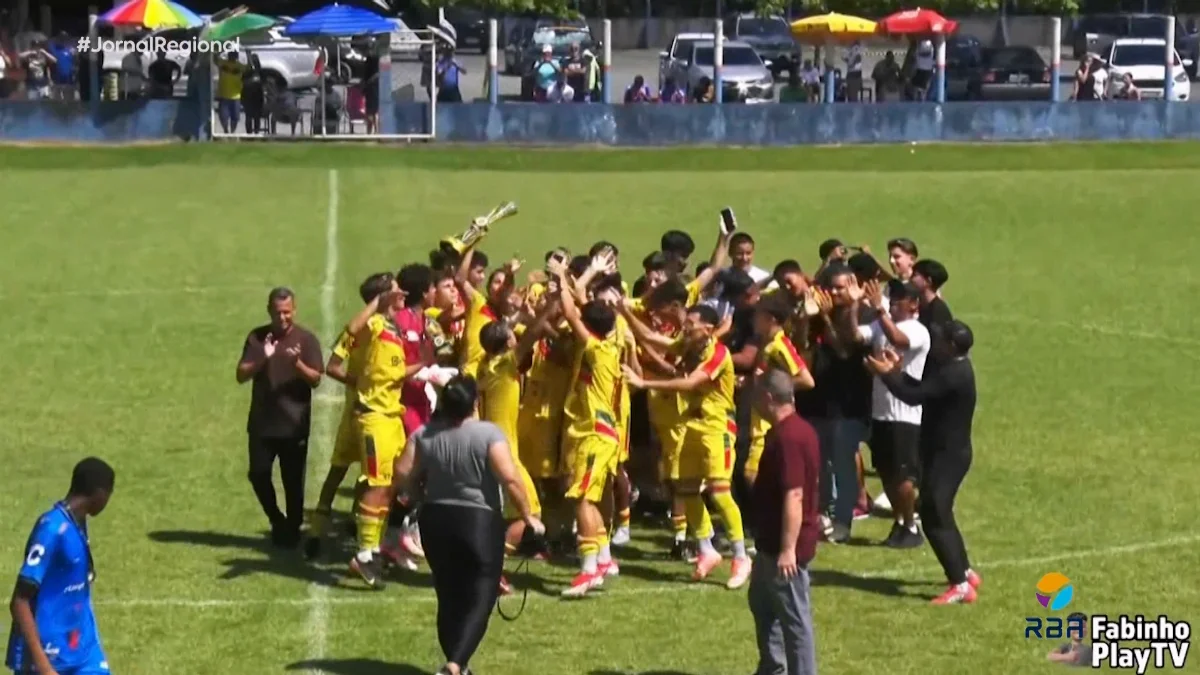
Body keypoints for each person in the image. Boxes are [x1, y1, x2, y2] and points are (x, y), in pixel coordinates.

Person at [393, 376, 544, 675]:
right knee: (482, 592)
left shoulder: (425, 433)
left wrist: (418, 494)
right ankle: (455, 664)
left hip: (435, 519)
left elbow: (402, 472)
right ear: (475, 403)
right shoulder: (488, 433)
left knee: (448, 593)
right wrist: (529, 518)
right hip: (478, 520)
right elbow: (510, 478)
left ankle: (457, 665)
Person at [623, 303, 751, 589]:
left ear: (707, 328)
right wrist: (622, 309)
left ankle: (741, 557)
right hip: (692, 426)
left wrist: (644, 384)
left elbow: (691, 383)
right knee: (685, 489)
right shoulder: (692, 346)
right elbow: (651, 337)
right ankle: (706, 549)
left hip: (717, 429)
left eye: (691, 324)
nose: (686, 328)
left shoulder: (718, 354)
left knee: (719, 493)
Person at [866, 320, 982, 604]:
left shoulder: (955, 374)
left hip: (948, 457)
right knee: (940, 513)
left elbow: (913, 396)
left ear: (952, 346)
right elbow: (924, 389)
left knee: (932, 516)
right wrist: (896, 371)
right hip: (947, 454)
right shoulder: (953, 367)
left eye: (941, 340)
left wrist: (887, 375)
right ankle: (964, 572)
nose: (936, 343)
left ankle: (960, 584)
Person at [306, 272, 395, 561]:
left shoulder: (377, 327)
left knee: (348, 472)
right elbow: (332, 367)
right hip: (366, 412)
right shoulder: (367, 328)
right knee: (358, 473)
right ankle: (330, 532)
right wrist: (357, 381)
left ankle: (330, 526)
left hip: (361, 410)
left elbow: (333, 366)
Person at [7, 458, 115, 675]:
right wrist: (45, 669)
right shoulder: (51, 530)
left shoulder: (79, 521)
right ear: (99, 493)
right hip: (48, 656)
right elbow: (19, 601)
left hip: (83, 650)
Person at [236, 287, 324, 548]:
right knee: (258, 474)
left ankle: (293, 526)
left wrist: (297, 365)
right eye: (277, 312)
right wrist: (263, 357)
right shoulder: (257, 337)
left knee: (293, 481)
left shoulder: (306, 339)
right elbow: (241, 375)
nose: (282, 317)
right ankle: (277, 518)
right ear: (269, 310)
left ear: (294, 310)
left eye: (286, 312)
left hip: (294, 424)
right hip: (263, 423)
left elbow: (316, 379)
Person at [342, 278, 415, 588]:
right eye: (397, 289)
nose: (404, 293)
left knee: (393, 483)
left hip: (392, 416)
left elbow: (393, 372)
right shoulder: (372, 323)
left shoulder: (391, 326)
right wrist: (377, 302)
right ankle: (363, 553)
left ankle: (375, 548)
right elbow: (351, 331)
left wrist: (427, 364)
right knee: (376, 484)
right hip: (374, 418)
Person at [748, 371, 820, 675]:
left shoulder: (789, 437)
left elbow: (794, 495)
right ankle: (772, 668)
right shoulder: (795, 430)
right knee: (763, 606)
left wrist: (788, 549)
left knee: (794, 622)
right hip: (769, 545)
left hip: (784, 549)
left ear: (768, 398)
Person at [855, 279, 929, 548]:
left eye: (899, 301)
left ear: (913, 304)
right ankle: (899, 523)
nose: (893, 305)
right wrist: (851, 306)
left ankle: (911, 525)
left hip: (905, 416)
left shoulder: (917, 330)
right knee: (886, 472)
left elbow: (900, 341)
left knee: (903, 476)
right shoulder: (880, 323)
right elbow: (855, 335)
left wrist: (879, 311)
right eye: (892, 301)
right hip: (881, 413)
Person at [216, 51, 244, 133]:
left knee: (235, 117)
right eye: (231, 54)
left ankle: (232, 132)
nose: (232, 56)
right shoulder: (223, 63)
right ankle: (225, 130)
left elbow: (248, 68)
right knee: (223, 116)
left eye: (234, 55)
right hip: (224, 95)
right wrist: (219, 50)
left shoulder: (240, 66)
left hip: (236, 95)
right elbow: (215, 59)